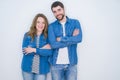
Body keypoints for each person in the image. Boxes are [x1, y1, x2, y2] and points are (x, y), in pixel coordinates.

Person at [48, 1, 82, 80]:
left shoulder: (75, 23)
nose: (57, 13)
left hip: (71, 64)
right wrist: (72, 39)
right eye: (54, 12)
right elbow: (53, 45)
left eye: (59, 10)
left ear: (63, 9)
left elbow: (79, 39)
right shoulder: (51, 26)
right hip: (56, 65)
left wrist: (61, 39)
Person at [21, 13, 52, 80]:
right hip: (27, 69)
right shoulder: (27, 35)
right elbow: (25, 51)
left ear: (45, 24)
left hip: (42, 70)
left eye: (43, 23)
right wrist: (42, 49)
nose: (40, 25)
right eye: (38, 22)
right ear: (35, 23)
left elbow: (49, 52)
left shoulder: (48, 37)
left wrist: (33, 49)